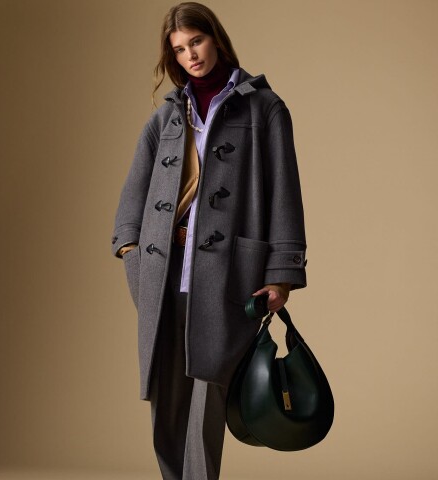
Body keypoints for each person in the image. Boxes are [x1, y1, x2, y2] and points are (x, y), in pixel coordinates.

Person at [111, 2, 307, 478]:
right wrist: (131, 251)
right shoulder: (168, 116)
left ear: (215, 38)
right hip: (163, 271)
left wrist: (281, 274)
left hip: (228, 276)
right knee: (166, 402)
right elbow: (134, 192)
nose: (190, 56)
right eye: (179, 50)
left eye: (195, 42)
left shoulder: (265, 108)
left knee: (207, 401)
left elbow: (285, 193)